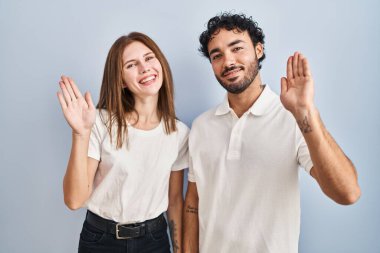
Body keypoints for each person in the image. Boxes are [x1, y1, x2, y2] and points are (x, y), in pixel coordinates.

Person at [183, 13, 361, 253]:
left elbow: (347, 193)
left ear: (258, 49)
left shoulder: (294, 119)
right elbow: (193, 201)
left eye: (237, 48)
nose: (228, 61)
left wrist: (305, 113)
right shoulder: (201, 126)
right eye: (217, 55)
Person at [57, 32, 188, 253]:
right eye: (131, 65)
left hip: (155, 241)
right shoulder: (99, 122)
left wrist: (179, 250)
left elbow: (174, 201)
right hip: (101, 241)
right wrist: (80, 133)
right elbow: (74, 200)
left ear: (161, 64)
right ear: (121, 80)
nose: (144, 68)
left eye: (149, 58)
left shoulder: (179, 133)